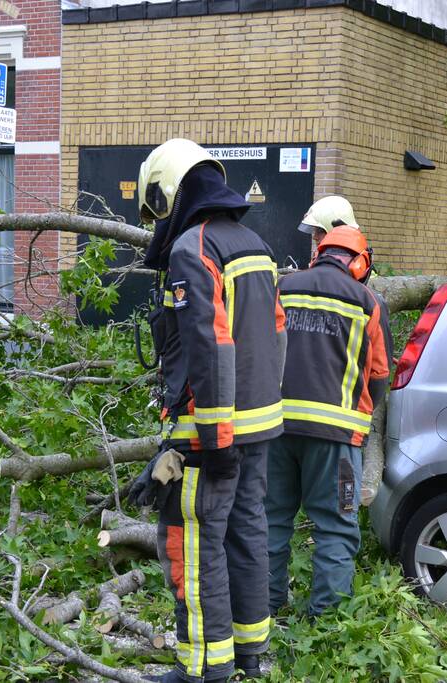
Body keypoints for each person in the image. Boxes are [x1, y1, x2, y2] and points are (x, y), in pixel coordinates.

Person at [135, 139, 285, 682]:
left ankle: (202, 668)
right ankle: (249, 653)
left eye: (157, 207)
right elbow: (275, 337)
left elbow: (211, 346)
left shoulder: (192, 249)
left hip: (212, 434)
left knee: (193, 544)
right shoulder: (254, 244)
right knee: (247, 534)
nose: (157, 223)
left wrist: (215, 439)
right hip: (259, 426)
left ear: (170, 190)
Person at [267, 215, 391, 618]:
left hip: (275, 429)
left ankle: (264, 607)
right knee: (336, 526)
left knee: (269, 519)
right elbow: (379, 375)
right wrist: (367, 419)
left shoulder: (282, 287)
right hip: (337, 439)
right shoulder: (368, 302)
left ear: (319, 254)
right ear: (360, 263)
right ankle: (326, 620)